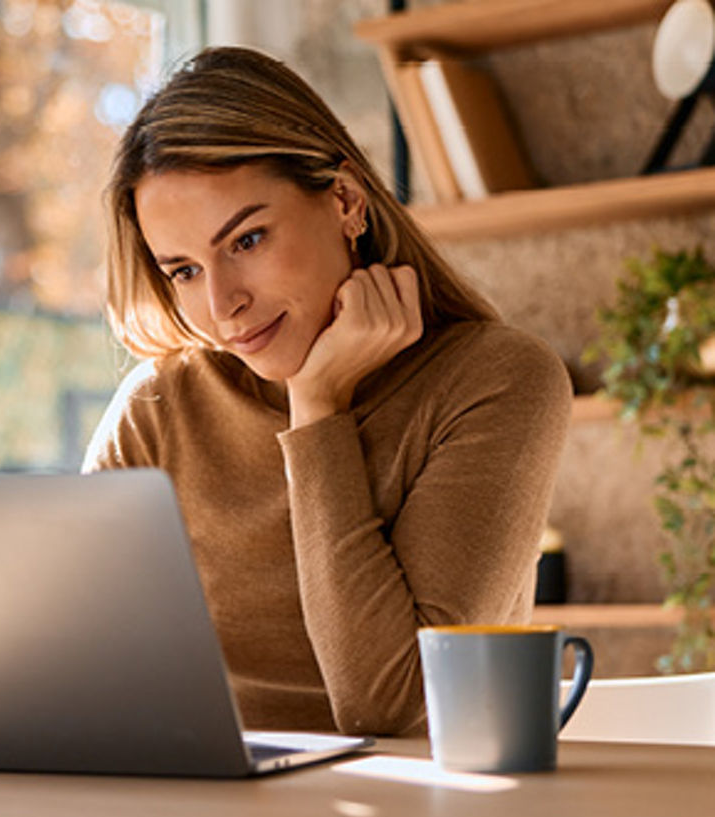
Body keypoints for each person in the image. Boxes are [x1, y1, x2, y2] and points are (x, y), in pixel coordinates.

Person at [82, 46, 572, 736]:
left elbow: (392, 707)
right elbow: (72, 665)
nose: (224, 306)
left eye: (247, 240)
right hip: (197, 816)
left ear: (345, 200)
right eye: (184, 271)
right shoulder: (158, 409)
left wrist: (316, 411)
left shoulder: (497, 380)